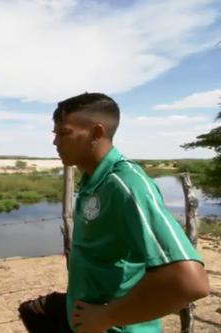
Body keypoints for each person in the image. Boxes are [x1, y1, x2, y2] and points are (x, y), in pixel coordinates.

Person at [53, 92, 209, 332]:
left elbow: (190, 282)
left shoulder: (126, 184)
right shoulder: (93, 182)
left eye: (64, 133)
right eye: (55, 134)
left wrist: (106, 317)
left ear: (96, 133)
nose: (55, 142)